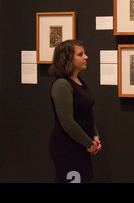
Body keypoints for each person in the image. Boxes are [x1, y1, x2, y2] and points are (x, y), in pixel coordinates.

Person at [48, 39, 101, 183]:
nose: (86, 57)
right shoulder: (62, 85)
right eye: (80, 54)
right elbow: (68, 123)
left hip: (81, 144)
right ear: (67, 59)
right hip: (67, 147)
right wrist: (89, 144)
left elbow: (87, 112)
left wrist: (94, 136)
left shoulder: (80, 80)